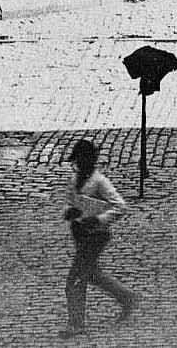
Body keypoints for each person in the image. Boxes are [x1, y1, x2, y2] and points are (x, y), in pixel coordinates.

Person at [60, 137, 137, 336]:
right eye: (77, 161)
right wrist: (69, 211)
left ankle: (76, 324)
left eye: (83, 161)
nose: (79, 165)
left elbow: (120, 206)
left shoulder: (100, 182)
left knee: (75, 279)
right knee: (93, 274)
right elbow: (70, 202)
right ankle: (126, 297)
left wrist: (100, 219)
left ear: (92, 161)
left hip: (96, 236)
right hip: (80, 234)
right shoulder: (74, 181)